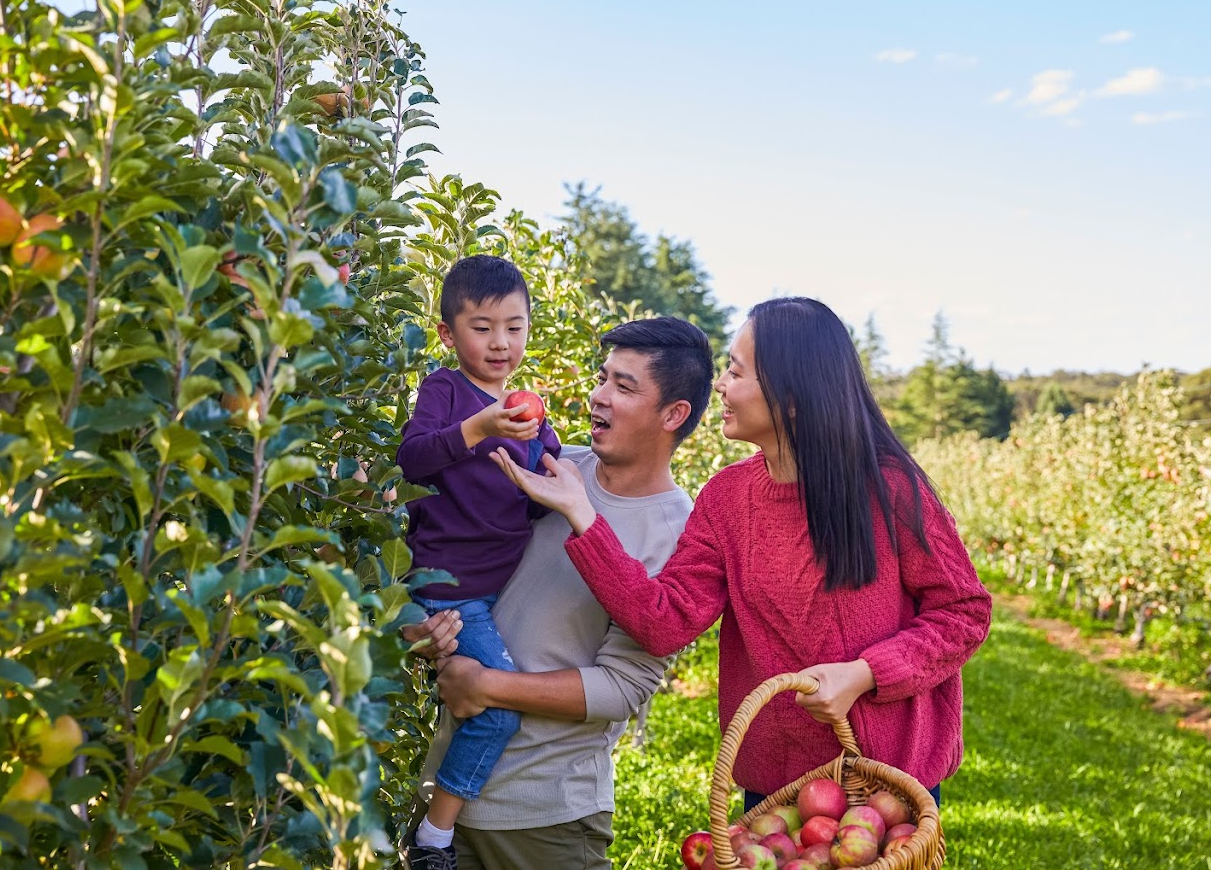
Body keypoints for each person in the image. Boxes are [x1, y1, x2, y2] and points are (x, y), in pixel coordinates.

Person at [493, 297, 993, 814]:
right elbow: (663, 622)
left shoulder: (890, 490)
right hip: (776, 784)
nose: (721, 386)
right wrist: (584, 516)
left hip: (888, 781)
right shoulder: (727, 498)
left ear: (791, 395)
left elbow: (964, 612)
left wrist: (865, 673)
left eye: (735, 371)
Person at [403, 316, 715, 870]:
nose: (597, 397)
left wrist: (486, 684)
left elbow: (624, 686)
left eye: (623, 386)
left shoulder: (679, 531)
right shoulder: (546, 465)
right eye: (602, 378)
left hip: (545, 820)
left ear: (673, 414)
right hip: (444, 797)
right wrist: (424, 631)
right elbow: (448, 557)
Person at [395, 254, 561, 868]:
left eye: (514, 327)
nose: (501, 342)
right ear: (448, 333)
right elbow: (412, 459)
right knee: (497, 714)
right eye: (483, 327)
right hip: (452, 587)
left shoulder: (526, 407)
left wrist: (546, 453)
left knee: (480, 702)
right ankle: (434, 840)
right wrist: (477, 427)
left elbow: (537, 493)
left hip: (500, 588)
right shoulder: (446, 390)